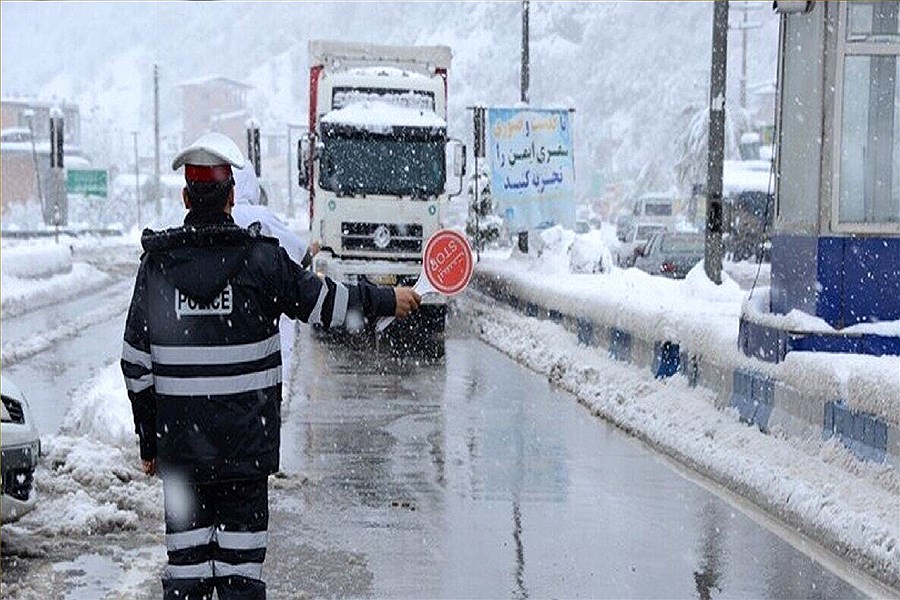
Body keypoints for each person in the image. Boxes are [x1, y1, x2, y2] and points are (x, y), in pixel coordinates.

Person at [120, 132, 420, 599]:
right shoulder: (262, 263)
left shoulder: (157, 268)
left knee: (187, 577)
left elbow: (135, 363)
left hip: (182, 455)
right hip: (244, 453)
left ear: (185, 196)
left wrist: (150, 438)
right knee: (241, 577)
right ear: (231, 197)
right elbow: (325, 304)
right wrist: (386, 299)